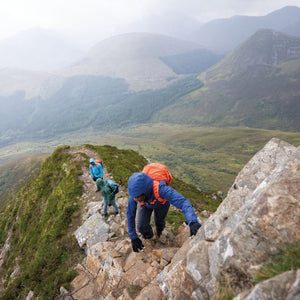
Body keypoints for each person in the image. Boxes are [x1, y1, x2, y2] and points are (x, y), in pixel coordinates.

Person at [127, 172, 201, 252]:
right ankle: (149, 236)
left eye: (137, 196)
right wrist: (133, 237)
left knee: (159, 222)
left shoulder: (162, 189)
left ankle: (159, 232)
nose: (135, 199)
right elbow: (130, 214)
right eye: (134, 196)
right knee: (141, 226)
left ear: (145, 191)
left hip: (161, 203)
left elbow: (183, 202)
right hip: (145, 205)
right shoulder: (135, 195)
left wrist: (192, 222)